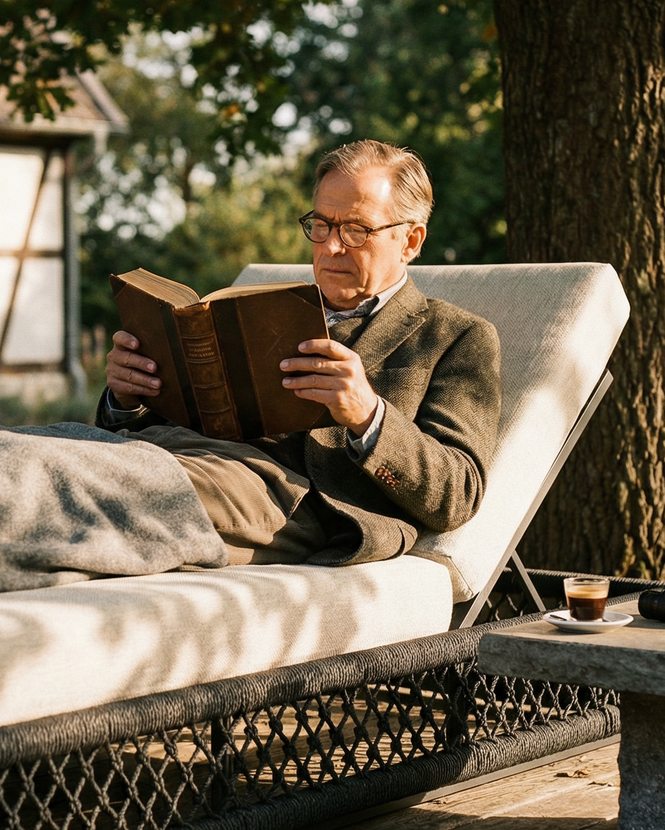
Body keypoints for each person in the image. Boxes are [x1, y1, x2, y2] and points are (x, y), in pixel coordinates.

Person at [98, 139, 502, 567]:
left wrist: (368, 415)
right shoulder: (255, 310)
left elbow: (458, 495)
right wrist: (126, 399)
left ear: (410, 241)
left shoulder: (456, 337)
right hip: (167, 453)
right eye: (322, 225)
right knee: (44, 446)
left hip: (283, 497)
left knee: (84, 480)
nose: (330, 247)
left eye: (356, 230)